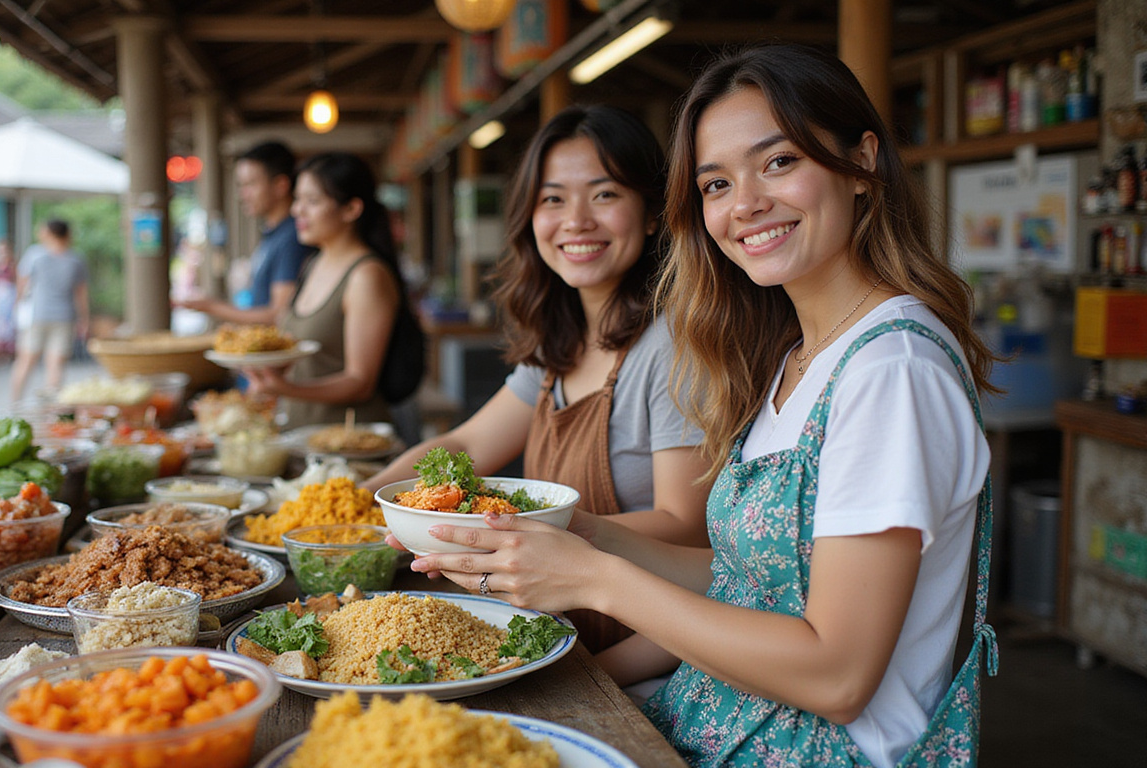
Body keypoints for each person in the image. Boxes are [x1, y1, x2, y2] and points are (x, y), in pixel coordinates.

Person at [405, 43, 998, 768]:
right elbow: (748, 581)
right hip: (709, 719)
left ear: (864, 164)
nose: (744, 203)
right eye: (716, 183)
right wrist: (574, 529)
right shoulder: (796, 358)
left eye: (780, 162)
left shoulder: (892, 370)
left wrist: (593, 577)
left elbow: (838, 676)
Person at [364, 105, 710, 657]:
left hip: (644, 647)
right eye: (553, 199)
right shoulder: (560, 342)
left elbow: (687, 527)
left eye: (604, 194)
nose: (576, 221)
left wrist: (529, 530)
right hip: (555, 626)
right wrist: (369, 504)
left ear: (650, 213)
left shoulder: (672, 347)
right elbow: (467, 444)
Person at [242, 152, 401, 431]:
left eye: (312, 201)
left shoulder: (366, 276)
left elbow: (360, 382)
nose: (297, 211)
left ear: (351, 209)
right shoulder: (312, 264)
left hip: (349, 443)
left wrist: (284, 388)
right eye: (298, 199)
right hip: (300, 434)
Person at [176, 141, 311, 324]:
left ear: (280, 185)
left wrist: (211, 306)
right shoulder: (275, 233)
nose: (243, 194)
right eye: (241, 186)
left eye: (251, 184)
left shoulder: (292, 237)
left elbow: (278, 314)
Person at [10, 219, 89, 401]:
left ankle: (15, 404)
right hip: (65, 317)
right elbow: (81, 294)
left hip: (37, 316)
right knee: (55, 366)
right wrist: (84, 319)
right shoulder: (76, 259)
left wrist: (16, 306)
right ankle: (50, 410)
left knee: (25, 361)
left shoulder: (35, 255)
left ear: (49, 233)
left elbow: (22, 284)